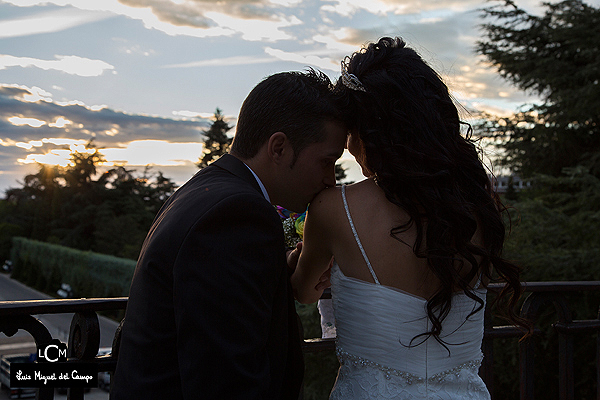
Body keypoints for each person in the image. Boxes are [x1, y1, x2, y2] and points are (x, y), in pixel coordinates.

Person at [291, 37, 528, 399]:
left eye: (352, 134)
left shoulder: (334, 209)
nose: (351, 149)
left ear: (368, 132)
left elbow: (304, 291)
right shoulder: (480, 205)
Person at [111, 69, 347, 400]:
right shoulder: (236, 214)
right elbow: (227, 380)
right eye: (327, 162)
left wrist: (280, 266)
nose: (330, 181)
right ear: (278, 148)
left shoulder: (205, 189)